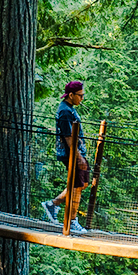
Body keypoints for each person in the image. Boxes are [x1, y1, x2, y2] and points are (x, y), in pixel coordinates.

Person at [41, 80, 90, 232]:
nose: (82, 99)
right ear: (71, 95)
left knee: (82, 184)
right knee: (76, 186)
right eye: (80, 96)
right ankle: (72, 220)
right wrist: (78, 157)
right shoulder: (65, 112)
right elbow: (68, 137)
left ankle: (53, 204)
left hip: (77, 153)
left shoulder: (69, 108)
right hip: (71, 154)